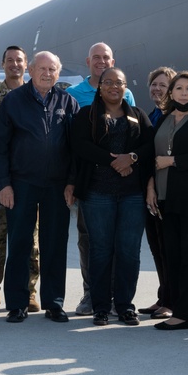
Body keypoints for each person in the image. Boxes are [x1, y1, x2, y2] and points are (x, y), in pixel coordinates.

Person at [0, 51, 78, 324]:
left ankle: (54, 303)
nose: (47, 73)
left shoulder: (67, 101)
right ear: (30, 70)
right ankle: (16, 304)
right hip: (22, 184)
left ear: (58, 73)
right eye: (42, 68)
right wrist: (4, 184)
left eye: (52, 69)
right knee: (19, 244)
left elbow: (77, 149)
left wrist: (72, 182)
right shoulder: (13, 101)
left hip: (56, 186)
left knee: (55, 244)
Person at [69, 68, 155, 326]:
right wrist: (114, 161)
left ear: (126, 87)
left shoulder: (138, 115)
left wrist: (132, 158)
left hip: (132, 195)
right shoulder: (87, 115)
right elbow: (80, 146)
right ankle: (100, 307)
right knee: (100, 251)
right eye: (108, 82)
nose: (114, 87)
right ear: (100, 86)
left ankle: (125, 306)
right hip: (97, 195)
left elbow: (151, 145)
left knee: (129, 251)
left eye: (119, 83)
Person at [66, 42, 136, 316]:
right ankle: (91, 295)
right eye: (96, 57)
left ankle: (117, 298)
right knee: (90, 240)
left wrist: (127, 161)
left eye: (106, 57)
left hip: (123, 180)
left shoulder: (126, 94)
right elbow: (73, 143)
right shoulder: (74, 95)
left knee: (119, 242)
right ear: (88, 61)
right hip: (91, 182)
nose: (101, 61)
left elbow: (132, 131)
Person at [146, 72, 188, 330]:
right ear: (171, 93)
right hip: (164, 196)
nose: (183, 93)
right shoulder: (164, 118)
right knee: (170, 254)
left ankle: (186, 314)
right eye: (179, 88)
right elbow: (153, 156)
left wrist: (172, 161)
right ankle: (174, 305)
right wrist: (151, 187)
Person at [0, 46, 40, 314]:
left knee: (30, 241)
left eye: (19, 60)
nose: (15, 64)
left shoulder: (37, 95)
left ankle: (29, 293)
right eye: (10, 60)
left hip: (28, 180)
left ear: (26, 65)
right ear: (2, 64)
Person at [138, 66, 177, 319]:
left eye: (163, 85)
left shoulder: (174, 116)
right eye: (154, 84)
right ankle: (164, 296)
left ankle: (171, 301)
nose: (157, 89)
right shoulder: (152, 113)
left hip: (167, 191)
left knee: (168, 247)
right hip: (150, 190)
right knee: (156, 246)